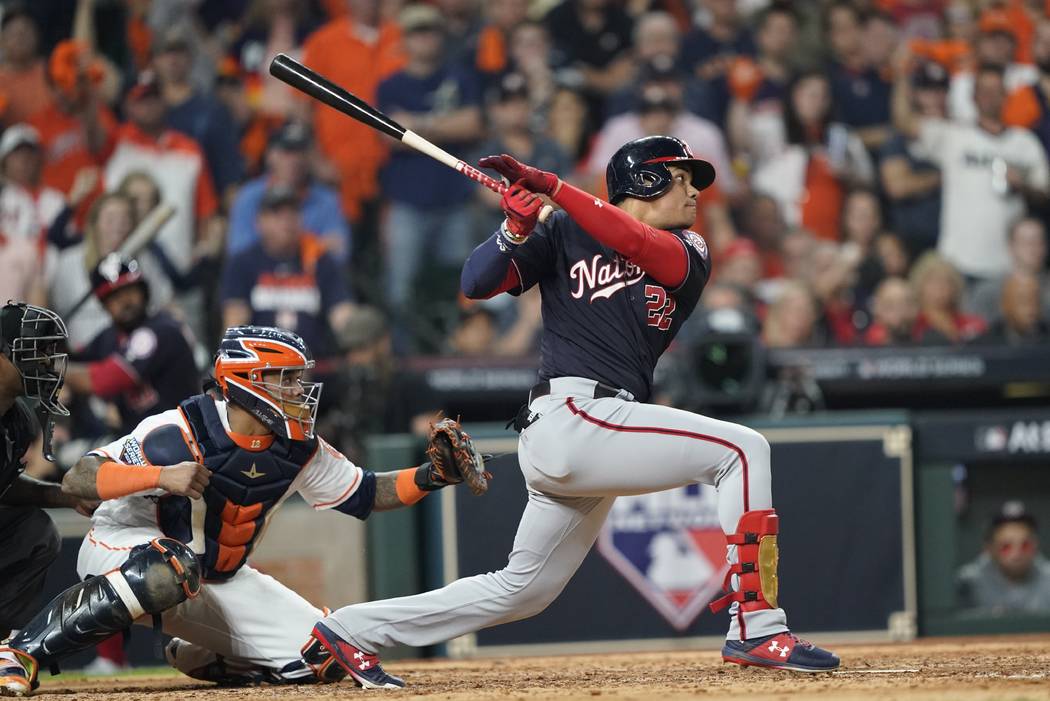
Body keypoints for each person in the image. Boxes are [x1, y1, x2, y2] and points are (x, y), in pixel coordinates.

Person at [312, 136, 839, 689]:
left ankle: (350, 628)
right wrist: (513, 230)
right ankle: (757, 624)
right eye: (681, 178)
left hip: (596, 429)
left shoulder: (689, 248)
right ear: (645, 181)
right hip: (571, 414)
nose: (694, 192)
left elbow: (633, 239)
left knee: (524, 590)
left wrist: (557, 189)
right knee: (743, 448)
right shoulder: (563, 231)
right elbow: (476, 283)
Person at [0, 325, 485, 695]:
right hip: (123, 548)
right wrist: (160, 476)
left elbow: (365, 492)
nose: (299, 389)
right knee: (169, 568)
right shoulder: (179, 429)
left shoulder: (299, 446)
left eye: (299, 378)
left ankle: (200, 652)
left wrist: (432, 476)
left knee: (324, 656)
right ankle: (20, 652)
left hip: (218, 576)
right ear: (250, 383)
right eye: (287, 379)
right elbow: (79, 477)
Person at [893, 60, 1050, 282]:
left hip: (1008, 264)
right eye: (983, 90)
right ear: (973, 96)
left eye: (995, 91)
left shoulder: (1024, 142)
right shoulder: (954, 135)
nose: (989, 96)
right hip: (957, 262)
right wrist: (901, 74)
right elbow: (904, 121)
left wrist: (1022, 186)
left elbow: (1045, 192)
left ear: (1006, 95)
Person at [378, 4, 483, 319]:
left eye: (431, 31)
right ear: (405, 39)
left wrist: (416, 125)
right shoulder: (390, 85)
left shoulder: (460, 77)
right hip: (407, 202)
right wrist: (444, 124)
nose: (425, 39)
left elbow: (472, 124)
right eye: (417, 32)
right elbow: (388, 136)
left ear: (441, 36)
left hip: (454, 199)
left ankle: (458, 354)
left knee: (464, 286)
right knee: (400, 289)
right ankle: (400, 358)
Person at [0, 302, 96, 643]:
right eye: (33, 352)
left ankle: (2, 645)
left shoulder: (17, 420)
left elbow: (4, 488)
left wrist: (61, 494)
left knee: (35, 532)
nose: (44, 363)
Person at [62, 256, 200, 435]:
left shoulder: (161, 330)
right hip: (140, 441)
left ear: (143, 291)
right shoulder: (110, 337)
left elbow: (104, 379)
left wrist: (53, 369)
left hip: (182, 437)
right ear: (104, 305)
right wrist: (61, 381)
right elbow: (76, 358)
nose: (125, 301)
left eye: (130, 291)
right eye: (114, 296)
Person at [220, 186, 354, 360]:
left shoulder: (320, 261)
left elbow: (342, 315)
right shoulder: (243, 263)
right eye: (277, 213)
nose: (287, 220)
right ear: (259, 222)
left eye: (293, 212)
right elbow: (235, 323)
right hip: (261, 368)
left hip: (315, 367)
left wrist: (359, 334)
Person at [228, 123, 351, 263]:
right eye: (287, 152)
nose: (294, 160)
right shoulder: (249, 197)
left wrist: (279, 240)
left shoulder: (326, 200)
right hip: (261, 279)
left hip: (310, 280)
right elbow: (239, 252)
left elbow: (339, 252)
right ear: (270, 156)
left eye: (300, 152)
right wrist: (312, 245)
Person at [153, 26, 244, 199]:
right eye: (165, 53)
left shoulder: (212, 111)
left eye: (179, 52)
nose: (172, 59)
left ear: (190, 58)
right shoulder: (142, 108)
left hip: (200, 205)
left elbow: (228, 174)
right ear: (155, 60)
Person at [879, 60, 946, 257]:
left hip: (951, 240)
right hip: (909, 243)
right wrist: (943, 177)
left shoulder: (958, 133)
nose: (935, 97)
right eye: (927, 90)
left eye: (941, 90)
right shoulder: (899, 138)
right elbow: (897, 187)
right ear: (915, 94)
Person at [957, 502, 1050, 614]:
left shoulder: (1047, 577)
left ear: (1035, 546)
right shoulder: (967, 583)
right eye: (1006, 547)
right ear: (989, 549)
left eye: (1025, 546)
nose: (1017, 554)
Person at [967, 217, 1050, 322]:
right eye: (1027, 242)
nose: (1034, 248)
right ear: (1011, 246)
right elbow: (974, 332)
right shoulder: (988, 293)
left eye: (1039, 241)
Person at [0, 124, 67, 252]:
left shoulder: (57, 200)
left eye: (29, 155)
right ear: (4, 162)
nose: (24, 161)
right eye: (16, 155)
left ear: (39, 159)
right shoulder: (2, 198)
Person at [909, 251, 987, 344]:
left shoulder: (973, 324)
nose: (940, 287)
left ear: (956, 287)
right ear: (919, 286)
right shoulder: (911, 324)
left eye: (947, 281)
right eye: (933, 281)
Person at [0, 5, 51, 127]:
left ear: (36, 36)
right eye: (15, 34)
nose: (21, 38)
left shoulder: (52, 70)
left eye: (26, 31)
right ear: (2, 41)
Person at [979, 272, 1048, 345]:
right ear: (1004, 305)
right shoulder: (985, 345)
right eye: (1023, 300)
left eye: (1036, 300)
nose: (1031, 308)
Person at [864, 277, 918, 346]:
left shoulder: (925, 339)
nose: (900, 312)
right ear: (877, 309)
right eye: (890, 305)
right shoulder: (864, 345)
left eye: (906, 304)